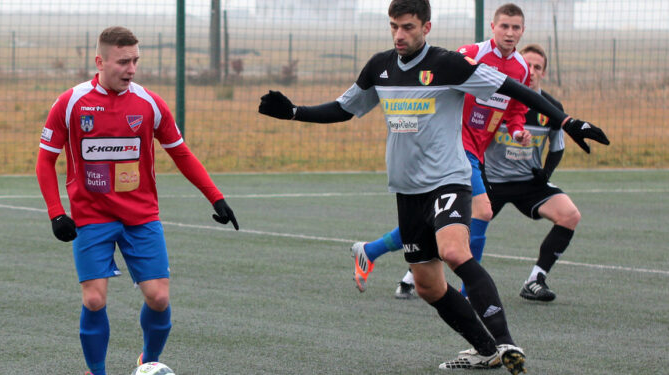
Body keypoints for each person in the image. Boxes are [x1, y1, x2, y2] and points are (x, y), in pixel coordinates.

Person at [258, 0, 607, 372]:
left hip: (449, 180)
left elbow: (514, 88)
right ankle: (485, 350)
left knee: (455, 252)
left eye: (407, 27)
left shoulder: (448, 64)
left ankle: (507, 343)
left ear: (427, 27)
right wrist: (295, 112)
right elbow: (345, 108)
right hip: (407, 191)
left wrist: (566, 120)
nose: (399, 35)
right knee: (427, 285)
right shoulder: (380, 67)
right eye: (394, 26)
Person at [35, 26, 239, 375]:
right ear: (100, 61)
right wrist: (57, 214)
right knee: (94, 298)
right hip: (91, 217)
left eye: (136, 61)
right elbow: (45, 160)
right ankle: (96, 372)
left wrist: (215, 197)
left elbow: (182, 154)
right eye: (123, 61)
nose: (131, 69)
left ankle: (149, 361)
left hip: (141, 216)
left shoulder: (149, 103)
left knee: (159, 298)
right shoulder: (70, 103)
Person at [350, 3, 534, 299]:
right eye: (504, 26)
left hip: (477, 151)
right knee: (483, 211)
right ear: (493, 27)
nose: (510, 33)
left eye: (515, 28)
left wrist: (515, 130)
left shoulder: (521, 69)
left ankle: (371, 251)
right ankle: (467, 292)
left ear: (523, 31)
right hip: (456, 147)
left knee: (437, 222)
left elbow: (515, 109)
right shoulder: (469, 55)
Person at [484, 43, 578, 301]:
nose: (532, 71)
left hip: (529, 183)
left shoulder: (551, 106)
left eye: (538, 67)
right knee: (457, 226)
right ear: (520, 68)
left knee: (569, 215)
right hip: (491, 181)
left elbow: (557, 147)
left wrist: (545, 173)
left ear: (544, 73)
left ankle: (535, 279)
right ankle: (415, 275)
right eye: (528, 66)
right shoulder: (497, 99)